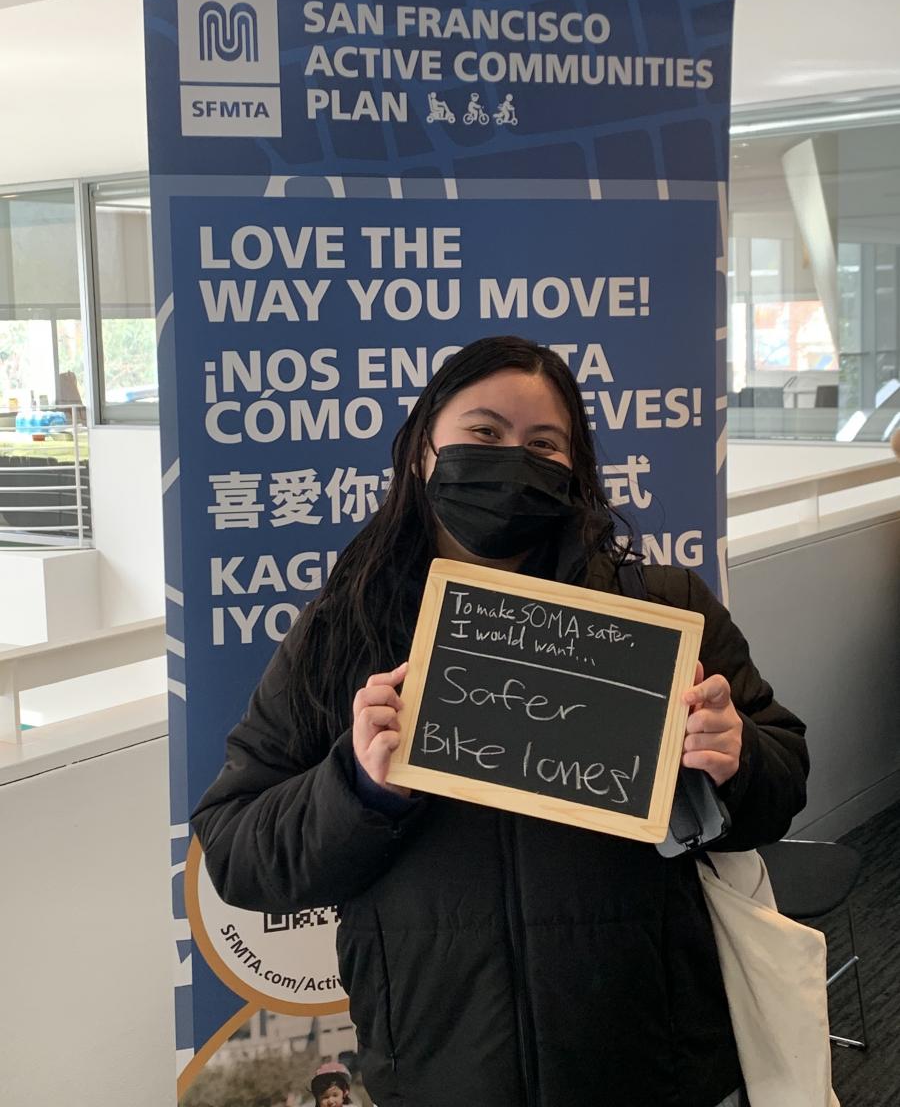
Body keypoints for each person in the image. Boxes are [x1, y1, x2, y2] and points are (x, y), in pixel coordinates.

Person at [192, 336, 808, 1107]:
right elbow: (237, 850)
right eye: (484, 433)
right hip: (439, 1066)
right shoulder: (340, 634)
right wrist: (355, 786)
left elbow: (782, 784)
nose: (512, 459)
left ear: (573, 468)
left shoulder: (661, 609)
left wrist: (738, 756)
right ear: (423, 449)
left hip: (649, 1059)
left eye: (543, 444)